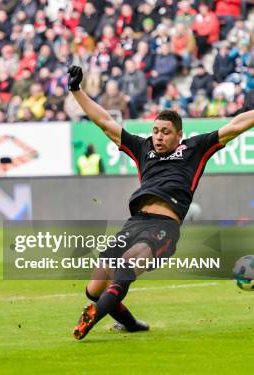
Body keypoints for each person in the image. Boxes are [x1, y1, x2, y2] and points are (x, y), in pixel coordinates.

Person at [67, 65, 254, 340]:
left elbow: (235, 125)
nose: (158, 136)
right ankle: (129, 324)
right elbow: (105, 122)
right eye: (155, 130)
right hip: (135, 222)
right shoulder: (143, 149)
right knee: (94, 289)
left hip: (164, 225)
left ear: (179, 134)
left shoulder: (194, 148)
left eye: (165, 132)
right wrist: (76, 90)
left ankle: (91, 319)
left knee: (126, 266)